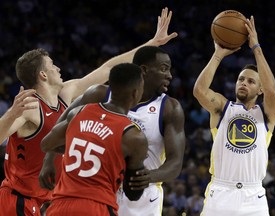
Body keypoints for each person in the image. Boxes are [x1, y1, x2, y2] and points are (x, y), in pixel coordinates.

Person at [0, 7, 177, 215]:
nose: (58, 69)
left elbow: (106, 70)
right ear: (43, 75)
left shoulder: (66, 93)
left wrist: (150, 45)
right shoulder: (29, 107)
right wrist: (12, 114)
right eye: (52, 65)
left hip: (48, 200)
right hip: (19, 199)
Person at [40, 45, 186, 216]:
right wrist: (49, 160)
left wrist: (147, 176)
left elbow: (175, 163)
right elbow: (63, 123)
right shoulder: (99, 94)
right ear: (144, 71)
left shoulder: (170, 108)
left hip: (141, 194)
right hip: (96, 188)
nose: (169, 75)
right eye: (163, 69)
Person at [193, 16, 275, 216]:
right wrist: (217, 55)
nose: (243, 83)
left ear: (259, 90)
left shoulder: (267, 114)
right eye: (241, 79)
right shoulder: (223, 108)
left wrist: (256, 47)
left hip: (254, 196)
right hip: (221, 192)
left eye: (251, 81)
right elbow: (199, 90)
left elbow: (271, 91)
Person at [40, 63, 148, 216]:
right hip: (97, 207)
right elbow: (133, 193)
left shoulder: (79, 112)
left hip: (61, 205)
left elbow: (46, 144)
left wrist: (73, 146)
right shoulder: (133, 137)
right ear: (136, 93)